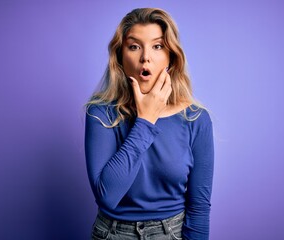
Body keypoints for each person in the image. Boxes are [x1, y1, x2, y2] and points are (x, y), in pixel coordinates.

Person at [85, 8, 214, 240]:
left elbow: (199, 208)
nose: (146, 57)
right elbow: (107, 196)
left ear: (171, 57)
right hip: (112, 234)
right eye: (134, 46)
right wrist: (145, 120)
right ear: (120, 57)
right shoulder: (100, 113)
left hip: (171, 233)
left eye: (157, 46)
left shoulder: (196, 119)